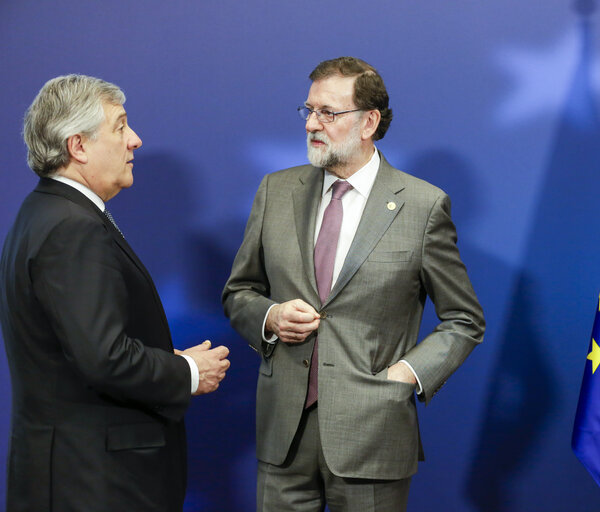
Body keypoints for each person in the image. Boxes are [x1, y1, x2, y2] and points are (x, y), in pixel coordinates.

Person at [223, 56, 485, 511]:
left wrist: (405, 377)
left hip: (374, 435)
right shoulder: (275, 190)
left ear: (369, 121)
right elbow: (238, 292)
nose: (312, 125)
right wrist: (270, 316)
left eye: (329, 113)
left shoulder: (422, 206)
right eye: (308, 111)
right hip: (282, 435)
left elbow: (464, 320)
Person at [0, 75, 230, 512]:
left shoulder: (43, 213)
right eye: (121, 126)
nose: (136, 140)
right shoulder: (72, 228)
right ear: (78, 146)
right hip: (95, 484)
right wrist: (188, 372)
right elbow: (103, 357)